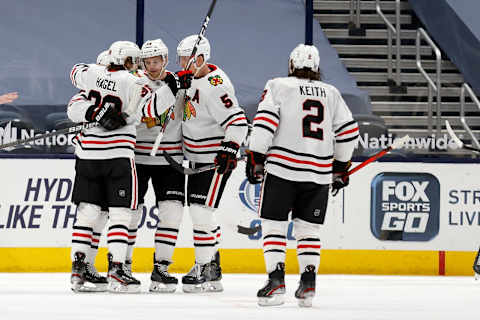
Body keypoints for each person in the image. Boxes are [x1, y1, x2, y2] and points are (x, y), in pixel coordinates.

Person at [246, 44, 359, 307]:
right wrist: (341, 167)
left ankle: (276, 282)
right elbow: (348, 131)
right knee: (309, 231)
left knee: (274, 225)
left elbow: (264, 123)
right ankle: (308, 285)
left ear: (291, 65)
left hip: (283, 169)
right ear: (317, 68)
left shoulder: (278, 86)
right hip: (318, 174)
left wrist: (256, 156)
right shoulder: (331, 93)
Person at [67, 40, 146, 293]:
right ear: (129, 61)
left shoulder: (90, 73)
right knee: (121, 214)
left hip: (88, 155)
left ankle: (78, 268)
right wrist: (106, 115)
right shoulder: (133, 82)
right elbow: (136, 114)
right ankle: (117, 270)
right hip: (118, 156)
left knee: (88, 212)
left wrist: (94, 112)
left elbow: (74, 74)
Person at [176, 35, 248, 292]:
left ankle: (204, 267)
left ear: (200, 58)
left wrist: (230, 148)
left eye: (186, 58)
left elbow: (238, 122)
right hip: (195, 158)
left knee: (200, 211)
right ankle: (212, 267)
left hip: (213, 160)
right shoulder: (189, 78)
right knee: (201, 211)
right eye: (181, 58)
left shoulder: (216, 85)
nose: (182, 62)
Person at [133, 39, 186, 293]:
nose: (152, 66)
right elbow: (140, 114)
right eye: (148, 62)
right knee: (130, 214)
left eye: (156, 61)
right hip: (139, 158)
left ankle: (162, 267)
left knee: (172, 213)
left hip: (170, 158)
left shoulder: (181, 83)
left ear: (165, 59)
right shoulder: (136, 83)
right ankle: (122, 265)